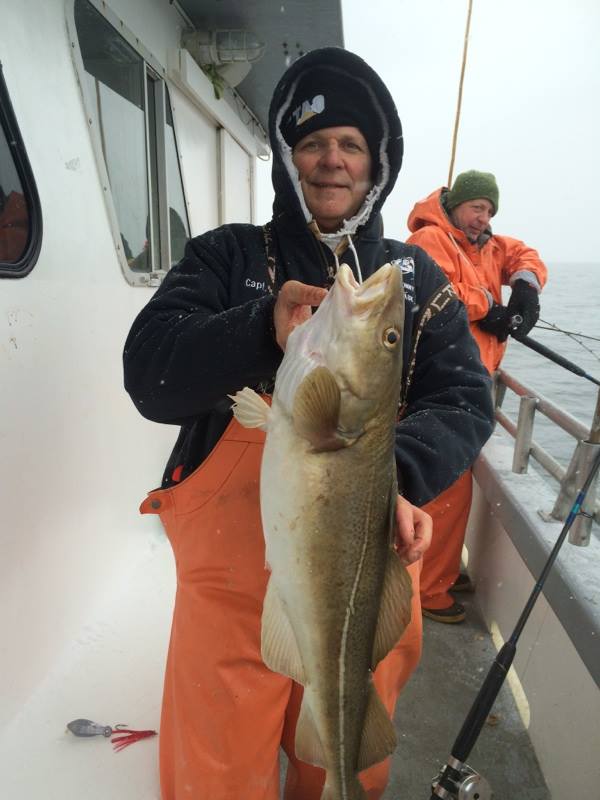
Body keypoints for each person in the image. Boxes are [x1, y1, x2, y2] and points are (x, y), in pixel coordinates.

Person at [123, 49, 494, 800]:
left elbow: (464, 399)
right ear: (289, 159)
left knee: (349, 740)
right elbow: (150, 372)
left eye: (351, 143)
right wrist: (262, 327)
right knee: (219, 761)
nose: (332, 160)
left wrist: (394, 478)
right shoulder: (226, 255)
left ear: (377, 164)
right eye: (313, 142)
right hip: (229, 567)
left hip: (368, 556)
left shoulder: (414, 280)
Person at [406, 170, 548, 623]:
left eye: (488, 210)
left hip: (470, 383)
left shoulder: (486, 244)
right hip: (439, 382)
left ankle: (439, 569)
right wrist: (488, 306)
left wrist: (525, 286)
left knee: (451, 485)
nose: (482, 218)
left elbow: (523, 254)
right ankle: (427, 587)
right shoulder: (430, 239)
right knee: (446, 486)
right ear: (455, 205)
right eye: (475, 208)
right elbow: (436, 291)